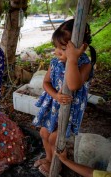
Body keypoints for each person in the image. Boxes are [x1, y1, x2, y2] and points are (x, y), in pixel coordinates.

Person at [32, 19, 97, 176]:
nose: (56, 52)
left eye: (62, 49)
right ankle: (49, 158)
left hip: (69, 111)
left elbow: (73, 85)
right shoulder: (55, 62)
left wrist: (72, 59)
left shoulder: (85, 64)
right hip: (52, 105)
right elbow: (46, 82)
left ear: (81, 48)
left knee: (55, 138)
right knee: (44, 133)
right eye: (56, 47)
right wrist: (55, 95)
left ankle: (58, 164)